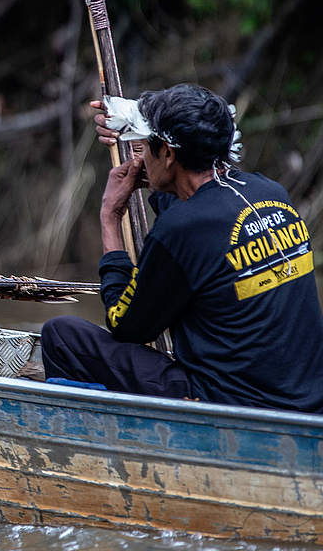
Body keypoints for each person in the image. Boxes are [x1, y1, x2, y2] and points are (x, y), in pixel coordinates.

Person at [41, 83, 323, 412]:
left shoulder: (179, 230)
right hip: (310, 403)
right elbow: (197, 210)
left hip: (230, 406)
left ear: (170, 154)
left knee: (62, 335)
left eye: (145, 147)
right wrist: (147, 154)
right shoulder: (271, 192)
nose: (141, 154)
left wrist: (110, 218)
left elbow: (125, 323)